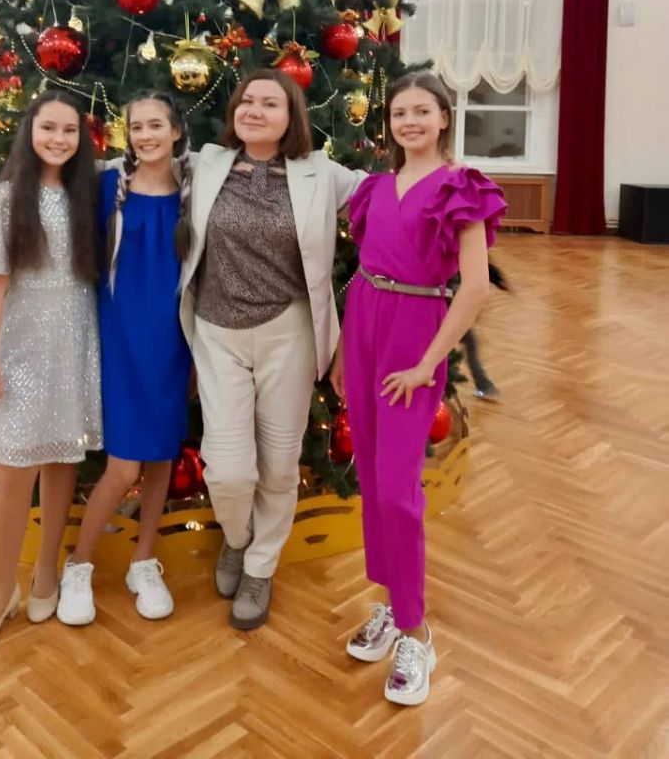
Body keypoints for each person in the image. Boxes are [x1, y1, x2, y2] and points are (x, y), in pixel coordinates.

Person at [330, 73, 506, 706]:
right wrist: (344, 350)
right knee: (372, 479)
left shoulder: (462, 186)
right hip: (366, 323)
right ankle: (391, 602)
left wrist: (429, 363)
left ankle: (416, 631)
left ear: (443, 118)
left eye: (422, 111)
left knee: (398, 490)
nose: (409, 121)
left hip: (415, 334)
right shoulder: (376, 187)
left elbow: (475, 289)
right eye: (400, 112)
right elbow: (362, 273)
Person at [180, 69, 364, 631]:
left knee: (280, 466)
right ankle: (237, 539)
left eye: (270, 104)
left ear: (291, 118)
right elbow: (139, 165)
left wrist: (453, 184)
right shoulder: (205, 164)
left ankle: (260, 567)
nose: (255, 111)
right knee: (229, 471)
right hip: (217, 332)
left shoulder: (320, 173)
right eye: (247, 101)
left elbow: (386, 195)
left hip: (290, 332)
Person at [0, 91, 102, 654]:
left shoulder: (86, 195)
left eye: (70, 131)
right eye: (49, 128)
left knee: (62, 460)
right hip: (21, 351)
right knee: (15, 468)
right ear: (30, 130)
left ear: (82, 139)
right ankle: (2, 590)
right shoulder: (8, 198)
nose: (59, 139)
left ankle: (47, 569)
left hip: (74, 346)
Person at [58, 91, 194, 626]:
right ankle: (78, 565)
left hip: (172, 339)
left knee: (161, 456)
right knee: (122, 467)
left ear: (176, 131)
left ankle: (143, 561)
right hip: (120, 339)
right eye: (137, 127)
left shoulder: (193, 190)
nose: (146, 136)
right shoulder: (107, 186)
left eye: (156, 125)